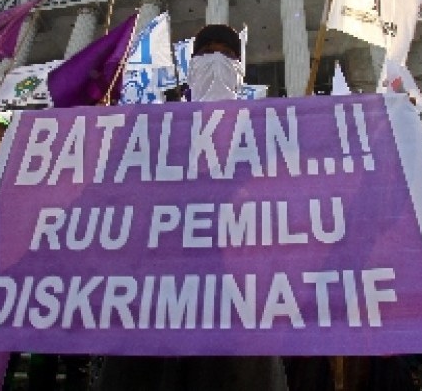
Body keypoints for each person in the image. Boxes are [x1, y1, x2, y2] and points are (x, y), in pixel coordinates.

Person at [96, 24, 290, 391]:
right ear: (191, 64)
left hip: (238, 292)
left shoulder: (265, 129)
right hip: (155, 290)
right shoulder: (154, 129)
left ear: (240, 66)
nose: (217, 59)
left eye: (229, 53)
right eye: (206, 52)